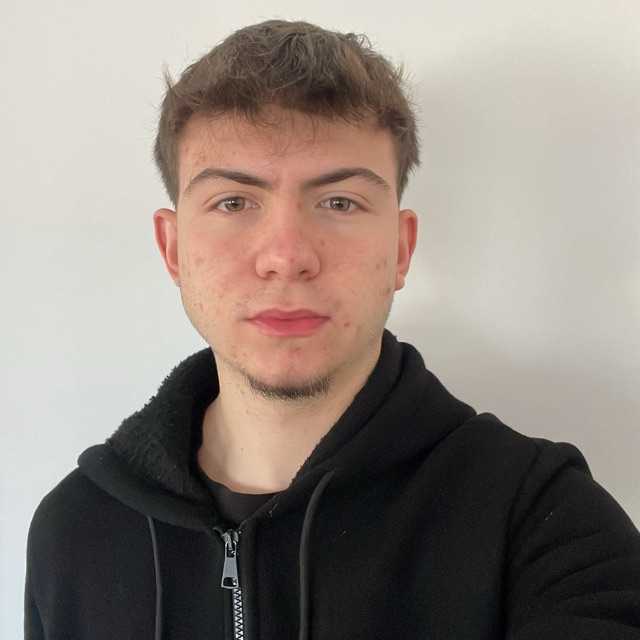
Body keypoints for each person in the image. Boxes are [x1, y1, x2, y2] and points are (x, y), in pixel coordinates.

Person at [24, 19, 640, 640]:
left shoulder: (545, 525)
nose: (287, 256)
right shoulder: (75, 533)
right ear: (173, 248)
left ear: (400, 249)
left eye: (339, 202)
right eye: (234, 202)